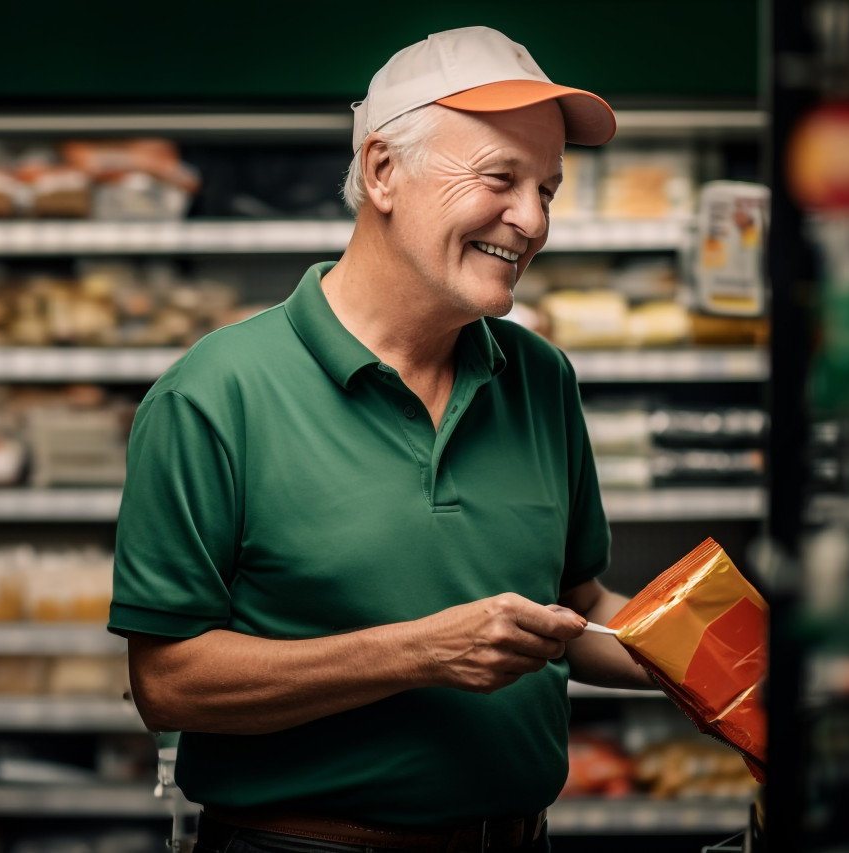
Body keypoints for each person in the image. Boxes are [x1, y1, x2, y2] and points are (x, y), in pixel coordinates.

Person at [108, 25, 657, 853]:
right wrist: (424, 651)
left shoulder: (540, 378)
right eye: (501, 178)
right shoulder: (215, 394)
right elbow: (168, 683)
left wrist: (746, 657)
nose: (533, 220)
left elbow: (578, 609)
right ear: (382, 171)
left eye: (548, 188)